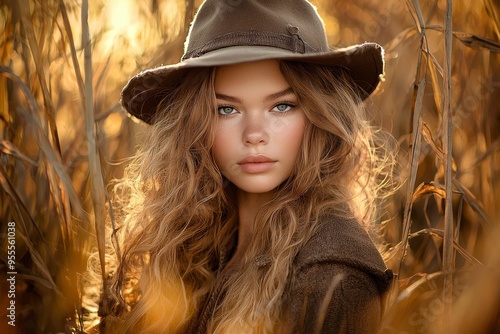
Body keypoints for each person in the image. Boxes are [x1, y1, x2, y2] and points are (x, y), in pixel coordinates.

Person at [107, 0, 394, 333]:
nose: (254, 135)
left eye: (282, 106)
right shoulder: (194, 247)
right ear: (194, 125)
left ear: (319, 116)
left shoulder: (332, 276)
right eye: (227, 110)